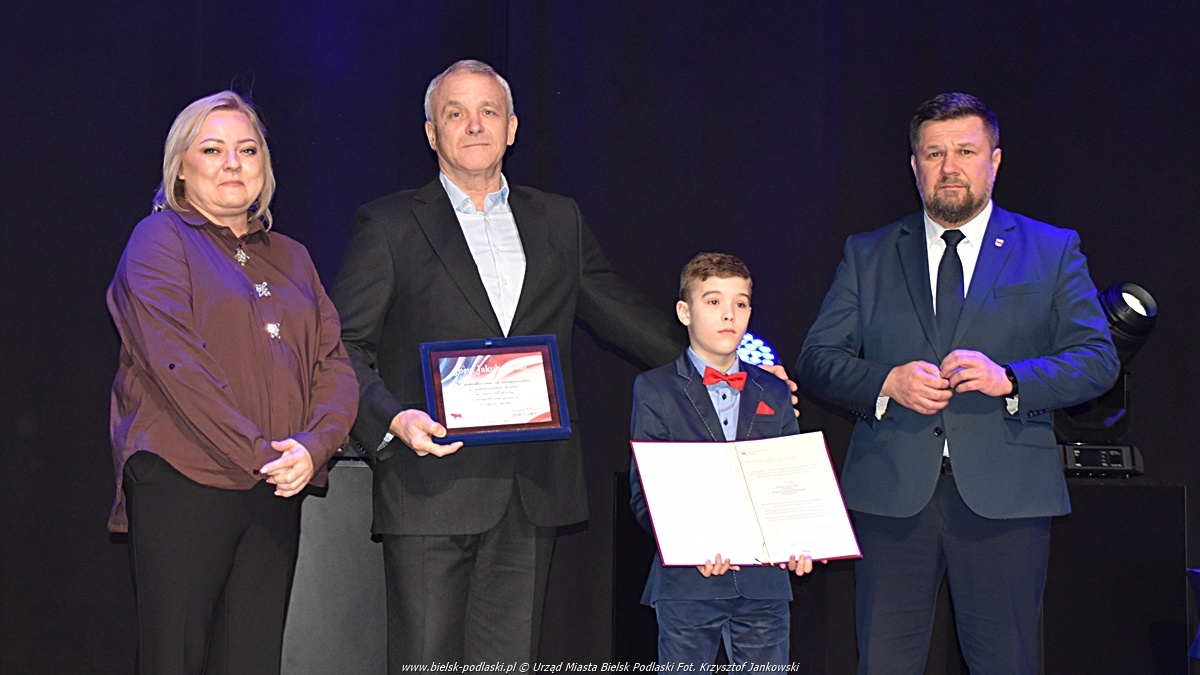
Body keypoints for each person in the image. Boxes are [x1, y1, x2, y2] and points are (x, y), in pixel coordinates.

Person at [330, 60, 688, 667]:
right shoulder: (389, 225)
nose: (474, 125)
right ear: (431, 133)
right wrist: (392, 419)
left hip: (531, 489)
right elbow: (343, 346)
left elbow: (626, 316)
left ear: (512, 127)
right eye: (455, 113)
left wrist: (726, 366)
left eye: (488, 111)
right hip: (429, 485)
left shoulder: (559, 219)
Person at [796, 93, 1119, 674]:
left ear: (995, 160)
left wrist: (1010, 378)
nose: (949, 167)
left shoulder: (1051, 250)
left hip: (1007, 499)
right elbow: (817, 359)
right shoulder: (868, 254)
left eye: (966, 152)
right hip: (892, 499)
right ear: (914, 165)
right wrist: (885, 381)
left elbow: (1097, 360)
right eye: (934, 153)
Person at [106, 91, 359, 675]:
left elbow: (334, 366)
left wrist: (313, 447)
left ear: (264, 168)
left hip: (276, 484)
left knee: (252, 660)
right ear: (180, 167)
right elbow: (176, 367)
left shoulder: (293, 257)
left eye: (247, 150)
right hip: (183, 481)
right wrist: (262, 453)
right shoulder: (159, 240)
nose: (232, 163)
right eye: (212, 149)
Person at [628, 253, 814, 667]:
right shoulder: (655, 388)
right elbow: (646, 495)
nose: (729, 314)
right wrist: (689, 544)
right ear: (684, 312)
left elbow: (792, 484)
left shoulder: (774, 389)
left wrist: (799, 541)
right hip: (688, 584)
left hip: (764, 584)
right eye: (713, 301)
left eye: (740, 303)